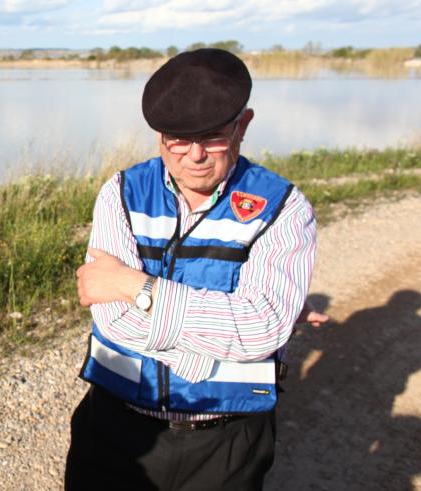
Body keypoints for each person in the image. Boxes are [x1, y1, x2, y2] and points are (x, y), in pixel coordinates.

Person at [65, 48, 318, 490]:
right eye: (177, 139)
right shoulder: (120, 193)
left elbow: (265, 328)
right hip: (113, 429)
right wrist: (223, 332)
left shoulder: (283, 208)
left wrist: (135, 286)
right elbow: (112, 320)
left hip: (227, 441)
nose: (194, 155)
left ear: (244, 125)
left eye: (214, 136)